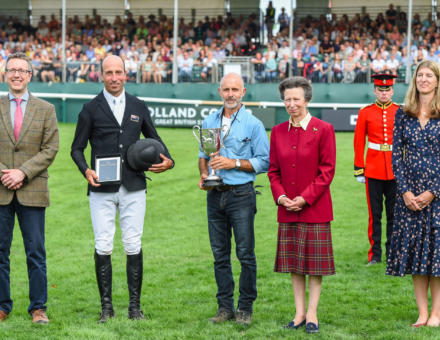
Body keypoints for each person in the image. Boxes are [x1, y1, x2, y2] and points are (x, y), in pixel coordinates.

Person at [70, 55, 174, 323]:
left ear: (126, 75)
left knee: (132, 244)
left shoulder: (139, 105)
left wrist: (169, 161)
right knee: (103, 245)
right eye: (109, 72)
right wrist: (86, 170)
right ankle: (106, 309)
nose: (114, 77)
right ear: (101, 75)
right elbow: (76, 148)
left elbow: (156, 140)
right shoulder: (90, 109)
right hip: (101, 188)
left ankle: (134, 308)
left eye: (119, 72)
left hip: (134, 185)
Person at [197, 72, 269, 325]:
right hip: (215, 196)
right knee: (219, 255)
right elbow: (203, 157)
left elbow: (264, 162)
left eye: (234, 90)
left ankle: (245, 307)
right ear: (219, 92)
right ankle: (225, 307)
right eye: (226, 90)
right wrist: (205, 175)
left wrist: (233, 162)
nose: (230, 94)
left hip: (241, 195)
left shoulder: (253, 124)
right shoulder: (209, 121)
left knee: (245, 254)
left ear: (243, 92)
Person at [268, 76, 336, 334]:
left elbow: (327, 171)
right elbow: (273, 172)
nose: (291, 103)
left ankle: (312, 313)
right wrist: (281, 197)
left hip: (315, 209)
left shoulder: (324, 129)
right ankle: (298, 313)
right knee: (294, 265)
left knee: (313, 266)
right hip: (286, 209)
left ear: (307, 99)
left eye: (296, 98)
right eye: (287, 99)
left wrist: (305, 198)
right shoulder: (277, 132)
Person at [0, 52, 59, 324]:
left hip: (32, 190)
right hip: (1, 189)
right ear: (5, 74)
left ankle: (38, 308)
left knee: (35, 251)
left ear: (30, 75)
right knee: (0, 251)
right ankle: (2, 306)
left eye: (22, 70)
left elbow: (51, 149)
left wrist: (22, 172)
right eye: (12, 70)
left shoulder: (46, 109)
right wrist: (5, 173)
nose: (16, 74)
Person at [387, 60, 440, 327]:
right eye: (420, 75)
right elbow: (396, 155)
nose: (424, 79)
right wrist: (405, 191)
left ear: (437, 80)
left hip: (437, 193)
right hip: (408, 194)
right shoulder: (403, 113)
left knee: (437, 255)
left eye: (429, 75)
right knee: (417, 254)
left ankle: (437, 314)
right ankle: (422, 312)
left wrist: (433, 191)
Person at [353, 73, 399, 265]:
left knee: (394, 215)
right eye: (380, 90)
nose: (384, 93)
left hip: (395, 170)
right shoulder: (365, 112)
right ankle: (375, 254)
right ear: (375, 91)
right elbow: (358, 142)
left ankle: (392, 253)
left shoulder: (400, 111)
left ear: (392, 91)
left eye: (387, 90)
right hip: (373, 170)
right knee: (375, 215)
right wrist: (359, 168)